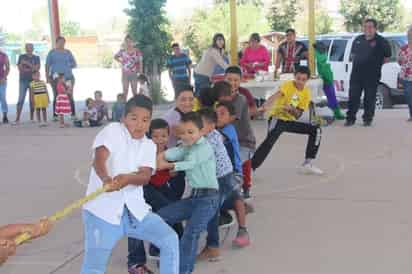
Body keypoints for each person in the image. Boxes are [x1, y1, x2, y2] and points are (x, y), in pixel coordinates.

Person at [80, 95, 179, 274]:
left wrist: (126, 179)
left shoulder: (148, 145)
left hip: (136, 212)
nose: (139, 125)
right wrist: (106, 179)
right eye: (134, 118)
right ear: (123, 118)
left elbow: (145, 176)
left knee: (169, 239)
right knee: (94, 267)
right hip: (102, 213)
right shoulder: (113, 131)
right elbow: (99, 160)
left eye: (145, 120)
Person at [156, 112, 219, 274]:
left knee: (191, 234)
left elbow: (190, 163)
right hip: (194, 198)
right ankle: (172, 257)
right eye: (182, 133)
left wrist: (166, 166)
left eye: (190, 132)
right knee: (160, 217)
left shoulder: (205, 147)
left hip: (208, 199)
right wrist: (160, 156)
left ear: (201, 131)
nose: (186, 136)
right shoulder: (186, 146)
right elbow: (173, 153)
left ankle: (183, 270)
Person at [127, 119, 185, 274]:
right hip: (144, 189)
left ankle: (166, 249)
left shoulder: (170, 152)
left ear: (168, 136)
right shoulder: (146, 152)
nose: (160, 140)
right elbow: (148, 177)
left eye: (163, 136)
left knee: (172, 212)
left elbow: (174, 174)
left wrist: (173, 170)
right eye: (156, 136)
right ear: (149, 136)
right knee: (140, 218)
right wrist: (167, 171)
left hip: (160, 189)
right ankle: (139, 260)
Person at [197, 108, 249, 262]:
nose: (197, 128)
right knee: (216, 206)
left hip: (224, 177)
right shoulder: (215, 134)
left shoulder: (210, 139)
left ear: (212, 125)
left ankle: (213, 247)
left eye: (201, 125)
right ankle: (227, 211)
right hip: (224, 176)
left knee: (211, 210)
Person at [251, 66, 323, 175]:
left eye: (303, 80)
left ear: (307, 80)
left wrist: (291, 109)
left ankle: (307, 163)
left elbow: (298, 115)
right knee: (269, 142)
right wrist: (265, 105)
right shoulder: (288, 85)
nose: (300, 81)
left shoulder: (306, 93)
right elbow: (275, 96)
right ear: (294, 76)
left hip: (290, 121)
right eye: (298, 78)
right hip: (277, 118)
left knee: (316, 129)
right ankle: (250, 168)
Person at [215, 101, 251, 248]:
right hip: (219, 173)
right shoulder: (216, 129)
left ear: (232, 118)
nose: (217, 116)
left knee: (236, 195)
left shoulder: (228, 130)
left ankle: (243, 230)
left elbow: (217, 139)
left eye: (222, 114)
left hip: (234, 172)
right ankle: (223, 213)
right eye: (215, 113)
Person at [218, 67, 257, 199]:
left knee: (232, 163)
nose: (232, 83)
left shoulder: (240, 99)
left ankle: (242, 189)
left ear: (240, 81)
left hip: (244, 142)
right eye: (229, 79)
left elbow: (229, 119)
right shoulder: (219, 98)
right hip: (227, 140)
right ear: (224, 79)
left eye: (236, 80)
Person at [345, 19, 391, 127]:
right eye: (365, 27)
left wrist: (374, 66)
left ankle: (367, 119)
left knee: (369, 98)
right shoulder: (358, 39)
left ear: (375, 28)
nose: (367, 29)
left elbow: (387, 57)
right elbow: (352, 56)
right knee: (353, 97)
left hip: (372, 76)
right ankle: (350, 119)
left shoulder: (382, 41)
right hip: (356, 75)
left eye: (370, 27)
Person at [45, 36, 77, 120]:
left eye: (63, 42)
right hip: (56, 78)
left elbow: (74, 64)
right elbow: (47, 65)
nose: (62, 44)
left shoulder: (68, 52)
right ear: (56, 43)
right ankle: (55, 116)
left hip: (68, 77)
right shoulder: (52, 52)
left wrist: (69, 65)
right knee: (56, 95)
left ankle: (73, 114)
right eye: (60, 42)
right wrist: (47, 76)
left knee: (69, 94)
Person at [313, 42, 345, 120]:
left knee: (331, 97)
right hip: (327, 77)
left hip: (326, 78)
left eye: (315, 48)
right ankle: (336, 113)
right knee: (331, 97)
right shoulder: (323, 54)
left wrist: (321, 76)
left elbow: (321, 65)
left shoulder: (320, 55)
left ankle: (336, 113)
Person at [14, 43, 41, 124]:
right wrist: (31, 68)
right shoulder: (21, 56)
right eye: (28, 47)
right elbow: (20, 69)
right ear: (25, 48)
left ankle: (32, 118)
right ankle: (17, 118)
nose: (29, 48)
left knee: (32, 100)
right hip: (23, 80)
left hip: (33, 81)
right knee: (21, 99)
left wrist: (26, 63)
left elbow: (37, 68)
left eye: (31, 47)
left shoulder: (37, 57)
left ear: (33, 48)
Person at [114, 35, 143, 100]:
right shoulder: (122, 51)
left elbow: (141, 61)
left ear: (133, 42)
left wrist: (141, 72)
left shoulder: (137, 51)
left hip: (134, 74)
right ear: (125, 42)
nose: (128, 43)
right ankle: (124, 107)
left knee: (134, 92)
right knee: (125, 92)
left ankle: (136, 107)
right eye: (127, 42)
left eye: (130, 42)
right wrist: (121, 61)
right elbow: (115, 56)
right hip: (125, 74)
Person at [397, 25, 412, 122]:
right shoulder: (403, 48)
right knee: (409, 96)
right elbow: (399, 62)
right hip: (406, 77)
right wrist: (400, 60)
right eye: (410, 35)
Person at [0, 49, 10, 124]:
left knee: (3, 97)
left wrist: (4, 77)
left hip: (2, 80)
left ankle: (5, 116)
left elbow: (7, 67)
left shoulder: (4, 55)